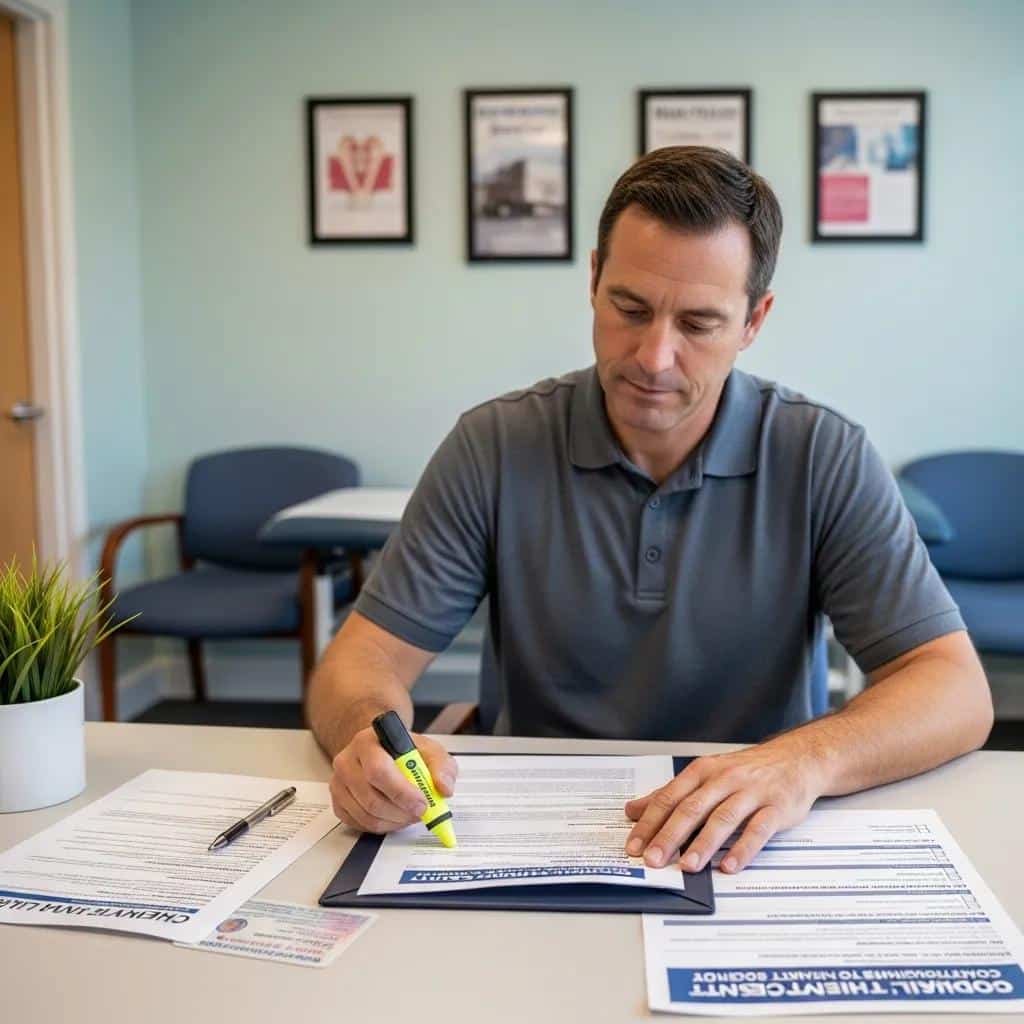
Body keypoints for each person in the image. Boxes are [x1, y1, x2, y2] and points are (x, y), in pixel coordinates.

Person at [307, 146, 992, 876]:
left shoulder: (822, 454)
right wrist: (366, 738)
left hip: (754, 835)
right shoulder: (495, 445)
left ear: (754, 320)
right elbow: (361, 663)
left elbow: (954, 688)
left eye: (699, 323)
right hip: (539, 834)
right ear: (595, 278)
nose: (654, 357)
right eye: (629, 309)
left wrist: (804, 762)